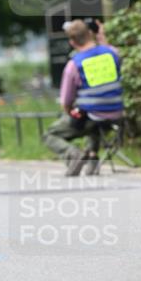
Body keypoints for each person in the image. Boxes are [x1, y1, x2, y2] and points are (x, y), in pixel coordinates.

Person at [42, 19, 123, 176]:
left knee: (50, 134)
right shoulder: (112, 53)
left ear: (72, 42)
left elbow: (66, 101)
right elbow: (110, 51)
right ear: (91, 34)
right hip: (116, 114)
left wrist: (70, 111)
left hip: (91, 116)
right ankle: (92, 157)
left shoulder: (75, 65)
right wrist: (102, 38)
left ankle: (73, 154)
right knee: (93, 116)